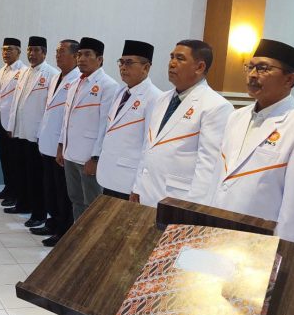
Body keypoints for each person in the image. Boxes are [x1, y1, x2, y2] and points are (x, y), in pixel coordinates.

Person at [211, 39, 294, 245]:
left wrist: (284, 253)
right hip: (218, 231)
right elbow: (220, 178)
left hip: (260, 244)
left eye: (263, 68)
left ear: (290, 79)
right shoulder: (236, 117)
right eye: (250, 67)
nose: (253, 74)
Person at [132, 40, 233, 207]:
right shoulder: (162, 99)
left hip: (179, 199)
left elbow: (208, 166)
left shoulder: (216, 106)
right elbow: (148, 146)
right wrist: (137, 187)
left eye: (180, 58)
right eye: (171, 57)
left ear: (199, 67)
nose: (172, 63)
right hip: (147, 192)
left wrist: (194, 208)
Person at [57, 37, 119, 221]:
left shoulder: (108, 85)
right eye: (79, 55)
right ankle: (77, 235)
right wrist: (61, 145)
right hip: (70, 152)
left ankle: (90, 238)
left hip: (88, 156)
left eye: (87, 55)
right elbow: (66, 117)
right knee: (75, 199)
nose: (81, 59)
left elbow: (105, 125)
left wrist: (95, 158)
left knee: (92, 205)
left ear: (99, 59)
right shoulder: (75, 82)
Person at [97, 40, 163, 200]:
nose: (123, 67)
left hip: (129, 180)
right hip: (109, 172)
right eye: (121, 62)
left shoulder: (155, 97)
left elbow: (149, 147)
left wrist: (139, 186)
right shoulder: (121, 92)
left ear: (146, 68)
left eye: (129, 63)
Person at [4, 37, 59, 227]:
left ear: (44, 53)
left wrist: (43, 132)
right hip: (21, 130)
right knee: (22, 171)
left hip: (37, 134)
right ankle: (23, 204)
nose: (31, 54)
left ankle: (39, 214)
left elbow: (49, 107)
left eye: (36, 50)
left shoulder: (52, 74)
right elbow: (16, 101)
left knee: (37, 176)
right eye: (29, 50)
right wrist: (11, 125)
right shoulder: (24, 72)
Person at [33, 40, 80, 246]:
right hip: (47, 141)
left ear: (75, 56)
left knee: (63, 192)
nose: (58, 55)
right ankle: (52, 222)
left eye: (62, 52)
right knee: (50, 188)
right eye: (57, 52)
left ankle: (63, 230)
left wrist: (62, 143)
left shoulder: (77, 80)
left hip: (62, 146)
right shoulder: (55, 78)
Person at [0, 37, 26, 205]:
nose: (6, 53)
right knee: (4, 156)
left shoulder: (23, 71)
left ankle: (15, 193)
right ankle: (7, 187)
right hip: (0, 117)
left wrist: (13, 123)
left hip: (13, 121)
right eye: (4, 49)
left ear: (18, 52)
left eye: (10, 49)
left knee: (14, 159)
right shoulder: (2, 70)